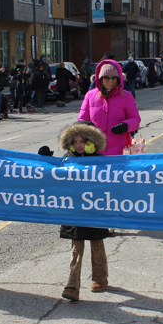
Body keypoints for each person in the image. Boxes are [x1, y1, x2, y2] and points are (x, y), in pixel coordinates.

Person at [41, 121, 110, 301]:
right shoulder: (67, 159)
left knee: (97, 243)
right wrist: (47, 162)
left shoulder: (100, 160)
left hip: (94, 210)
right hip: (73, 211)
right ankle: (72, 285)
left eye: (83, 141)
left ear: (91, 142)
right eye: (75, 141)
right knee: (76, 247)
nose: (79, 145)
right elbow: (54, 178)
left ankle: (100, 278)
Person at [78, 59, 141, 155]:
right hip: (94, 151)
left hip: (119, 152)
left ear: (118, 79)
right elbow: (81, 121)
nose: (110, 81)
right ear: (100, 78)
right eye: (107, 78)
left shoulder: (126, 96)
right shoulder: (90, 96)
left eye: (114, 78)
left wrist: (126, 125)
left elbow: (135, 119)